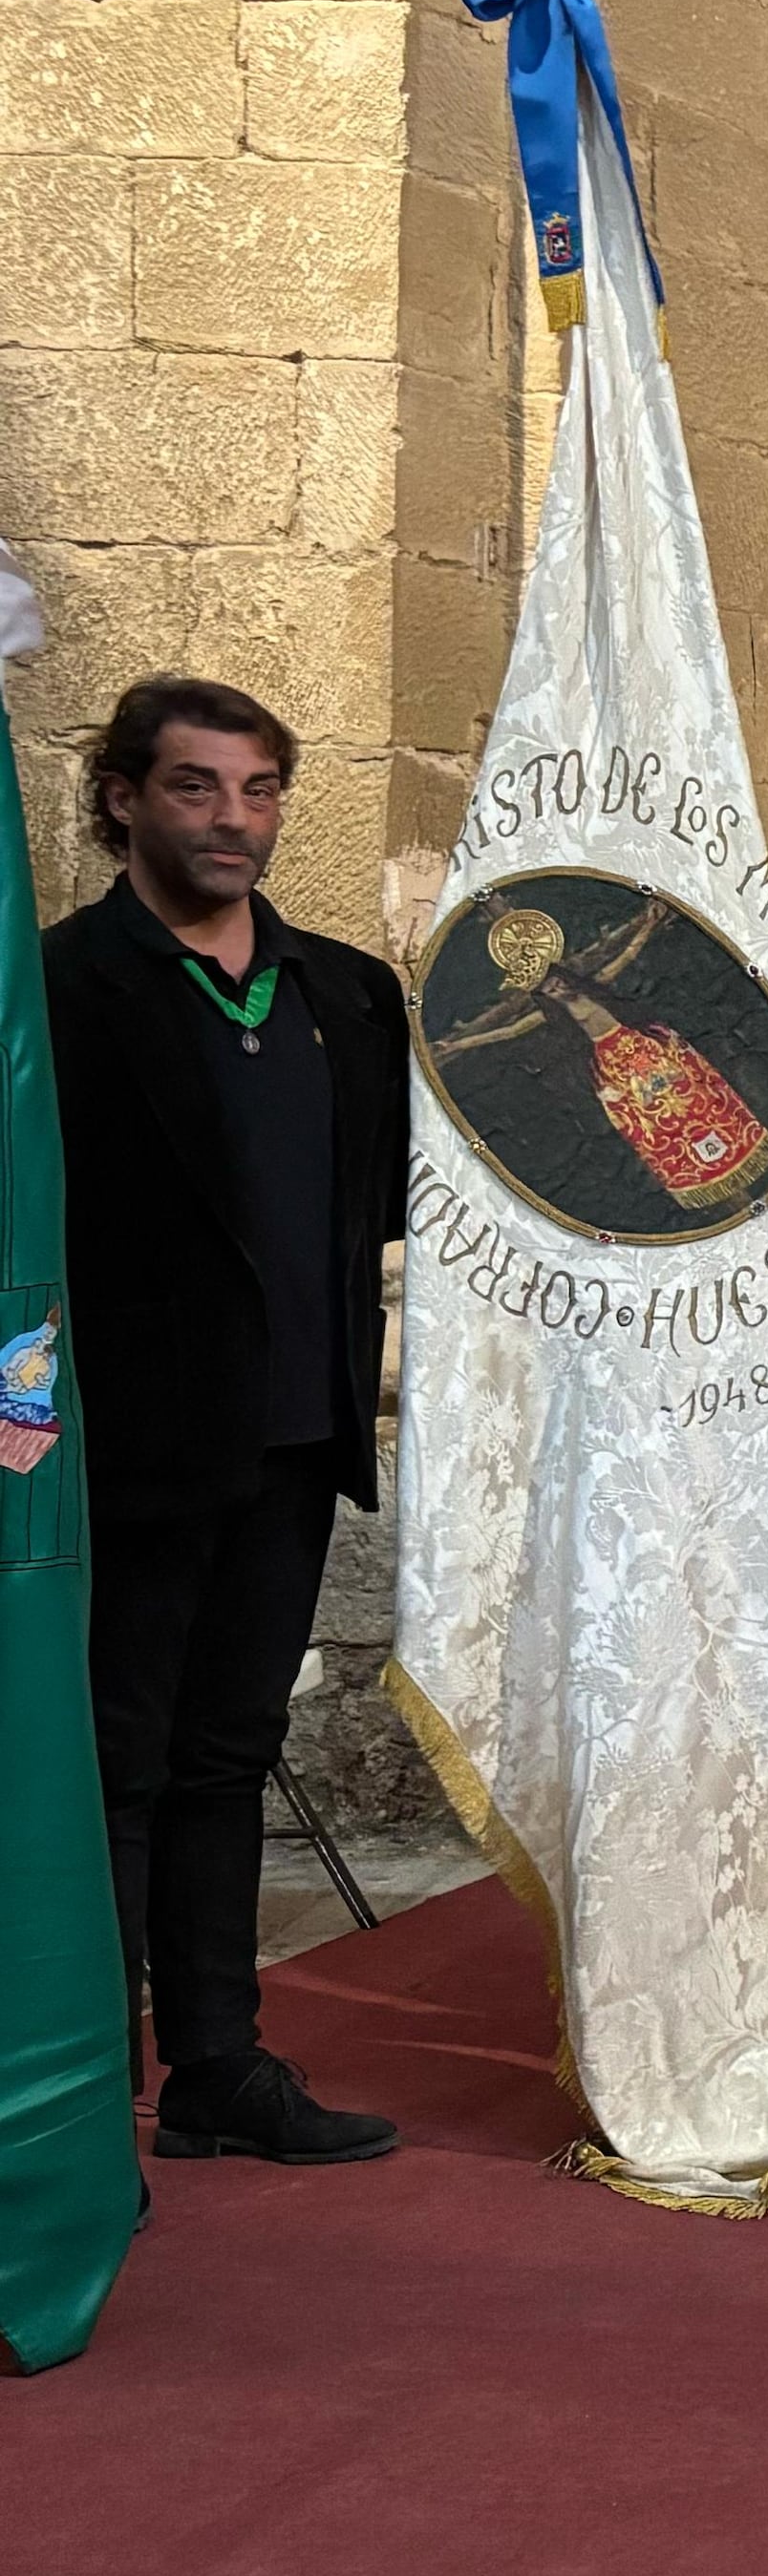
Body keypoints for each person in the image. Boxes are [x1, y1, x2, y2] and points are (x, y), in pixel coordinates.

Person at [50, 677, 406, 2164]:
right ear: (123, 797)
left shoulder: (347, 995)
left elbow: (383, 1203)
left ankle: (215, 2064)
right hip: (133, 1446)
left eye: (258, 789)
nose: (233, 819)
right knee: (114, 1767)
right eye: (196, 786)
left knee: (230, 1753)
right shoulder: (61, 988)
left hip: (296, 1438)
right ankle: (80, 2097)